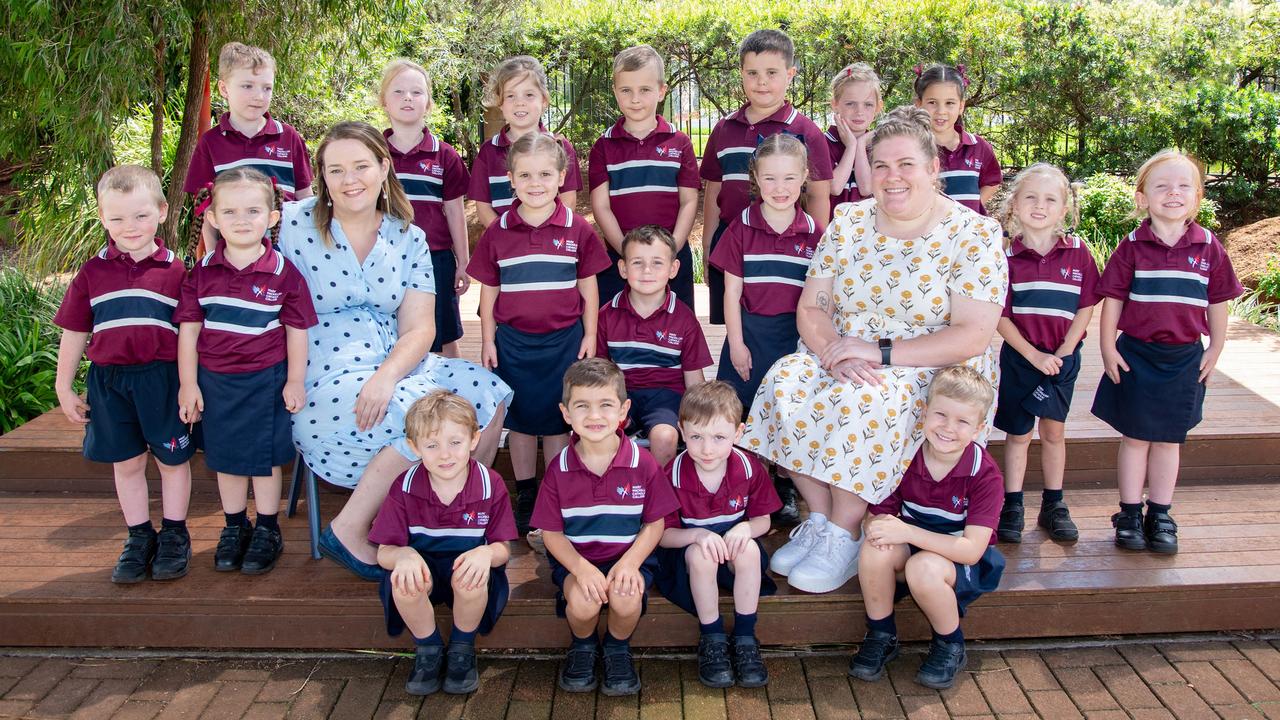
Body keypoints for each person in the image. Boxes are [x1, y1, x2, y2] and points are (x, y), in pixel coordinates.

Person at [741, 106, 1008, 595]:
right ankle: (822, 522)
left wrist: (878, 352)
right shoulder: (848, 221)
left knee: (866, 400)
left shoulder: (974, 235)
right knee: (784, 380)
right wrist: (831, 351)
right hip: (845, 351)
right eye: (881, 165)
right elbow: (812, 306)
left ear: (933, 168)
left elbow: (972, 335)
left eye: (906, 164)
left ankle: (846, 532)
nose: (892, 177)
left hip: (928, 363)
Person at [278, 121, 511, 581]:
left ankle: (457, 511)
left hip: (397, 358)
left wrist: (386, 376)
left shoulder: (408, 236)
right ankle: (348, 529)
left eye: (361, 166)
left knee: (491, 390)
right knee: (421, 415)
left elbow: (421, 327)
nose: (350, 180)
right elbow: (231, 253)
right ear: (321, 175)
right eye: (336, 169)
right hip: (320, 366)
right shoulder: (291, 224)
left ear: (384, 167)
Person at [1091, 150, 1242, 554]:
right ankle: (1128, 513)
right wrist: (1107, 347)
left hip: (1184, 359)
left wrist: (1216, 348)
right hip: (1137, 356)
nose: (1172, 193)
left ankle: (1160, 513)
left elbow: (1218, 301)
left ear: (1197, 198)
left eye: (1183, 186)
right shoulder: (1132, 246)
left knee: (1169, 441)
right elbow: (1113, 300)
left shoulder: (1209, 247)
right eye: (1161, 186)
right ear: (1143, 198)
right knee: (1136, 439)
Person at [53, 165, 196, 584]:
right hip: (110, 382)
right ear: (101, 217)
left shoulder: (177, 271)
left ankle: (174, 534)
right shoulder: (92, 273)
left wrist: (191, 384)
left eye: (140, 216)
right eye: (116, 218)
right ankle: (138, 535)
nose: (129, 227)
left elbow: (190, 334)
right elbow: (76, 329)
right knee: (127, 462)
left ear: (162, 212)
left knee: (172, 460)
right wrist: (63, 386)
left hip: (162, 379)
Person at [175, 167, 317, 575]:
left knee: (266, 459)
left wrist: (294, 379)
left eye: (253, 211)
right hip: (215, 384)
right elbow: (189, 332)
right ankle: (235, 526)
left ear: (273, 217)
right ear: (214, 218)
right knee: (227, 458)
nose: (242, 220)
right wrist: (188, 385)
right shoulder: (200, 273)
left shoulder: (284, 273)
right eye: (231, 212)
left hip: (267, 381)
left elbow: (296, 331)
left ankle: (268, 528)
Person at [468, 133, 611, 536]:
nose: (536, 183)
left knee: (556, 418)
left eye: (546, 174)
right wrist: (489, 339)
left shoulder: (578, 229)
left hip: (564, 340)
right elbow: (489, 290)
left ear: (562, 177)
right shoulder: (498, 231)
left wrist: (590, 334)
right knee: (522, 419)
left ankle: (556, 488)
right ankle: (527, 490)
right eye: (526, 175)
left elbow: (588, 287)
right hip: (514, 342)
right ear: (511, 179)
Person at [849, 366, 1005, 690]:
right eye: (941, 415)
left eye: (962, 422)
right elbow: (878, 515)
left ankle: (950, 643)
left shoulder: (984, 474)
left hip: (956, 560)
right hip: (910, 547)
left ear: (979, 428)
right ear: (924, 412)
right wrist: (879, 527)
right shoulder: (905, 454)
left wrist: (907, 534)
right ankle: (881, 633)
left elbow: (972, 550)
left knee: (924, 568)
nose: (948, 428)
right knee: (875, 546)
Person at [530, 359, 680, 696]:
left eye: (605, 405)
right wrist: (580, 569)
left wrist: (630, 563)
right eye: (582, 406)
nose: (594, 416)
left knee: (626, 599)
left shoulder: (643, 463)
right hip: (577, 560)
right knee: (583, 603)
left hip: (629, 557)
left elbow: (655, 524)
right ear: (566, 413)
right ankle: (583, 645)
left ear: (624, 410)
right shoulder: (559, 468)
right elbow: (551, 533)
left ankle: (616, 647)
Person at [371, 391, 516, 696]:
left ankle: (462, 649)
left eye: (455, 442)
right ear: (414, 446)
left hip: (468, 571)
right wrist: (403, 555)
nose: (445, 455)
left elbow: (504, 549)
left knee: (473, 575)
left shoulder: (491, 484)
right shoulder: (405, 486)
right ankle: (429, 649)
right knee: (403, 579)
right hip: (424, 569)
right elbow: (383, 552)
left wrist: (486, 553)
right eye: (432, 445)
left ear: (474, 439)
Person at [993, 164, 1100, 544]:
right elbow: (1000, 316)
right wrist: (1034, 355)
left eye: (1050, 199)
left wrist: (1065, 350)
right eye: (1031, 197)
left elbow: (1087, 305)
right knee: (1019, 434)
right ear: (1014, 205)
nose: (1040, 205)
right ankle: (1012, 503)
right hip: (1022, 360)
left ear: (1064, 209)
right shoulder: (1005, 258)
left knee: (1054, 432)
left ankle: (1054, 504)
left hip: (1062, 360)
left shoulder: (1079, 254)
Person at [699, 28, 833, 326]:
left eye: (772, 72)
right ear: (741, 74)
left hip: (784, 247)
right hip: (731, 243)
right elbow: (713, 190)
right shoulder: (723, 129)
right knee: (733, 321)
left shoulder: (806, 131)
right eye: (753, 73)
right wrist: (709, 244)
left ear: (790, 74)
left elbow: (818, 195)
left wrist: (820, 250)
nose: (761, 82)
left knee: (782, 321)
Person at [655, 381, 780, 689]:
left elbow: (763, 520)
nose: (707, 448)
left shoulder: (749, 469)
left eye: (719, 437)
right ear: (682, 432)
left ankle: (745, 637)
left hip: (733, 556)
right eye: (696, 436)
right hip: (688, 561)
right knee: (702, 555)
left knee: (749, 549)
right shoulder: (671, 474)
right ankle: (711, 637)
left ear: (738, 434)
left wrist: (744, 528)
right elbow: (662, 535)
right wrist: (696, 535)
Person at [709, 133, 821, 412]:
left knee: (786, 414)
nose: (779, 188)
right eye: (770, 178)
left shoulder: (816, 234)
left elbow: (822, 300)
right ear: (756, 178)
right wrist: (736, 345)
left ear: (804, 176)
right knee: (738, 414)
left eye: (789, 178)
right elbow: (732, 293)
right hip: (749, 337)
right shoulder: (741, 228)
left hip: (795, 338)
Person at [588, 44, 700, 309]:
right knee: (614, 327)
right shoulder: (604, 147)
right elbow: (601, 206)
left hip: (672, 256)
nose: (635, 99)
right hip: (621, 259)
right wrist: (627, 253)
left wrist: (671, 249)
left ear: (661, 91)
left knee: (678, 327)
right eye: (626, 90)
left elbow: (689, 201)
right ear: (615, 92)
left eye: (645, 90)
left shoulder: (679, 142)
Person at [597, 225, 712, 466]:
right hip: (618, 395)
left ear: (673, 269)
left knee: (664, 437)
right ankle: (614, 496)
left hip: (665, 398)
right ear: (623, 268)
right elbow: (598, 373)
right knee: (598, 432)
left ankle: (659, 498)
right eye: (637, 262)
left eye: (657, 263)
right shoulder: (607, 315)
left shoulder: (683, 318)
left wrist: (700, 422)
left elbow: (694, 381)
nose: (647, 270)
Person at [378, 59, 471, 358]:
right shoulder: (372, 151)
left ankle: (451, 399)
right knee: (393, 333)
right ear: (384, 101)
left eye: (416, 92)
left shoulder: (445, 155)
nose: (408, 98)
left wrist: (463, 261)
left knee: (443, 334)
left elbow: (455, 211)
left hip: (435, 258)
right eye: (399, 92)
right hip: (384, 255)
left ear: (428, 102)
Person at [184, 42, 313, 254]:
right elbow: (206, 212)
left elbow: (305, 198)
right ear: (224, 89)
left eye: (267, 88)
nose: (259, 96)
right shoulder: (211, 143)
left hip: (288, 254)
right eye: (247, 86)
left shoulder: (289, 137)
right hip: (234, 257)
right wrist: (212, 260)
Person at [468, 56, 581, 228]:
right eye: (510, 96)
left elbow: (568, 201)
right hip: (507, 248)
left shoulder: (560, 147)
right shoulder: (488, 152)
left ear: (543, 100)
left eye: (529, 95)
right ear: (500, 102)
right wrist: (506, 239)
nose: (519, 102)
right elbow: (483, 208)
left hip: (551, 244)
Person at [912, 63, 1001, 215]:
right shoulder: (913, 148)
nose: (941, 111)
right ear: (919, 104)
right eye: (932, 102)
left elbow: (993, 181)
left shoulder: (978, 146)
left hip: (969, 235)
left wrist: (973, 207)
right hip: (930, 234)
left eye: (949, 103)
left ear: (961, 106)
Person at [826, 63, 883, 218]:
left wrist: (860, 146)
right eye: (850, 103)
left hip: (866, 235)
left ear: (878, 107)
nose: (859, 112)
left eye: (868, 105)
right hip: (832, 233)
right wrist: (851, 146)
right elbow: (835, 187)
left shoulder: (880, 146)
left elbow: (866, 188)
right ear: (835, 104)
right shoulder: (823, 142)